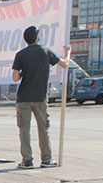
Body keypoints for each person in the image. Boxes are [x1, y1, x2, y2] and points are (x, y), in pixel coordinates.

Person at [11, 25, 69, 169]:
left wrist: (25, 72)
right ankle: (46, 159)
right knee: (43, 129)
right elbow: (64, 64)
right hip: (40, 96)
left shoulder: (21, 54)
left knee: (24, 129)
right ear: (37, 37)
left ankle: (27, 159)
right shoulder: (46, 52)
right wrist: (68, 53)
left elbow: (15, 77)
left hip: (24, 97)